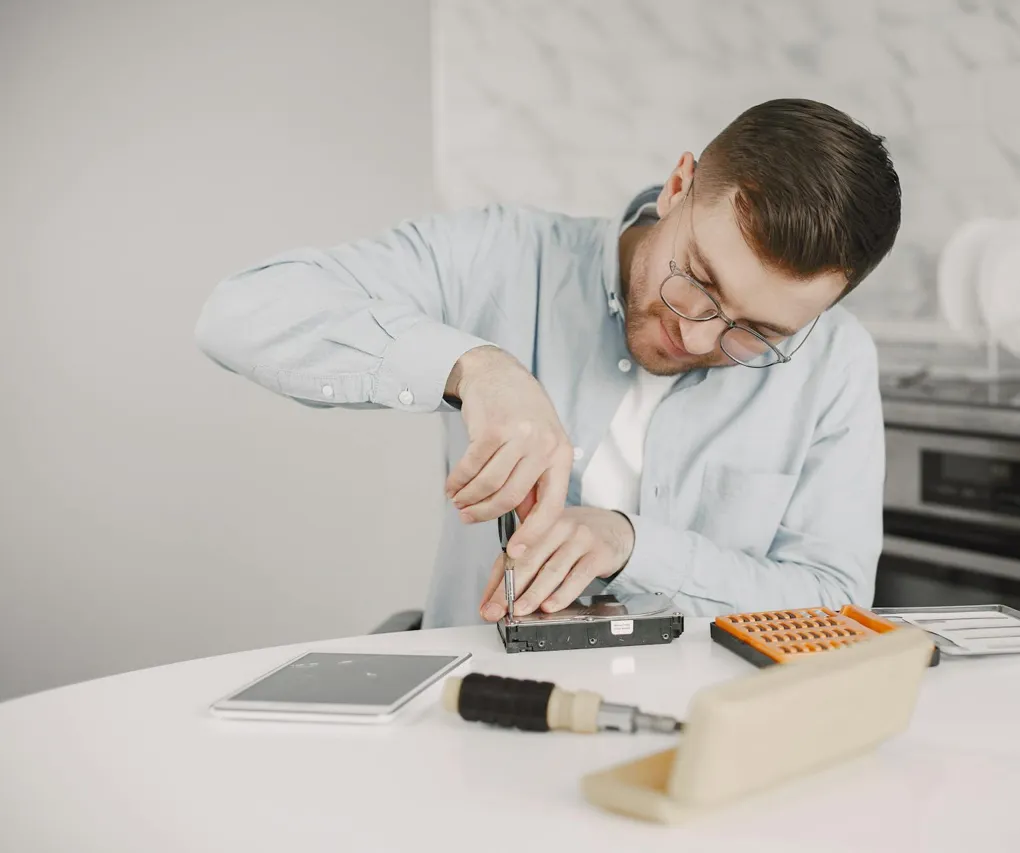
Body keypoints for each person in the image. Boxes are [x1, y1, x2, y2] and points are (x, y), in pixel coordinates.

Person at [195, 98, 901, 628]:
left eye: (755, 332)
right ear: (678, 185)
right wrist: (475, 366)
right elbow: (242, 310)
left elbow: (833, 603)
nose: (696, 338)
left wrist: (632, 545)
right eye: (697, 282)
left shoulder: (834, 362)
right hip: (479, 720)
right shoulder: (500, 257)